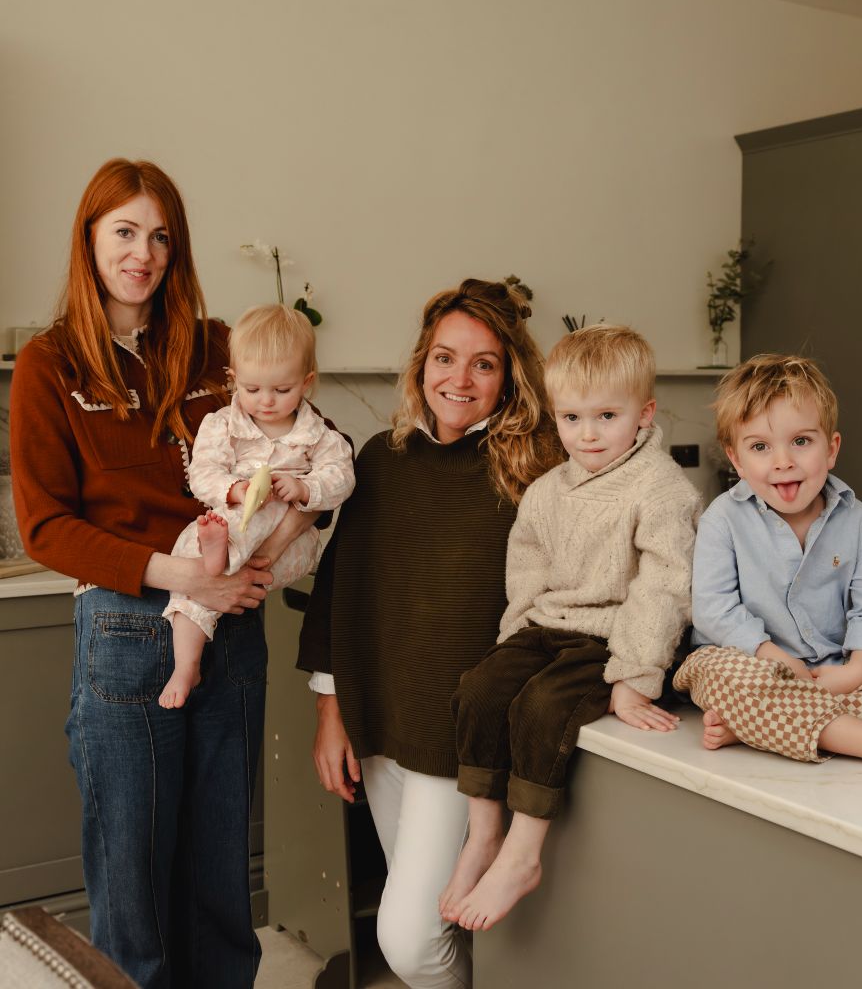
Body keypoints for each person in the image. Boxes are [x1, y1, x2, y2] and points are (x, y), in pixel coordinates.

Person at [10, 158, 319, 987]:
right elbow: (45, 527)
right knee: (132, 884)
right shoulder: (51, 363)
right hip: (124, 629)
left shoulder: (220, 349)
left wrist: (277, 540)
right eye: (124, 231)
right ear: (89, 238)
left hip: (236, 622)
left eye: (159, 237)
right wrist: (185, 579)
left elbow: (310, 447)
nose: (141, 254)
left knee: (219, 876)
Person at [297, 278, 564, 989]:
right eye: (445, 358)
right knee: (443, 923)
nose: (460, 379)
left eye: (483, 363)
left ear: (510, 376)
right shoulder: (381, 460)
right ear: (422, 364)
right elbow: (340, 590)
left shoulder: (538, 467)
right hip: (385, 723)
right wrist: (330, 710)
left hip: (467, 742)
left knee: (410, 939)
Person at [439, 325, 701, 932]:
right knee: (480, 689)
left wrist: (634, 677)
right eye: (572, 418)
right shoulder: (548, 489)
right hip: (546, 628)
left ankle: (523, 853)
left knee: (542, 706)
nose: (588, 435)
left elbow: (666, 586)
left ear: (644, 414)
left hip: (612, 639)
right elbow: (527, 570)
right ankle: (484, 834)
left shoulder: (662, 489)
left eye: (607, 416)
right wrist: (513, 642)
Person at [673, 353, 862, 787]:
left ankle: (757, 727)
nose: (782, 461)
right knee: (730, 681)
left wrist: (856, 671)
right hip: (748, 664)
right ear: (737, 460)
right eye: (760, 447)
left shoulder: (857, 521)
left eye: (801, 441)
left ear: (832, 448)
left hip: (828, 670)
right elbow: (714, 608)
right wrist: (775, 657)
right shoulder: (722, 519)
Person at [159, 304, 354, 708]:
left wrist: (304, 487)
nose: (266, 401)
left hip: (287, 544)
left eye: (281, 390)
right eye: (251, 389)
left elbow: (342, 477)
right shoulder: (221, 425)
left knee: (215, 558)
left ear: (306, 382)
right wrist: (235, 490)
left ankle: (221, 556)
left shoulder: (319, 436)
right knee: (191, 568)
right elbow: (202, 473)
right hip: (231, 519)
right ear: (233, 378)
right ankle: (186, 665)